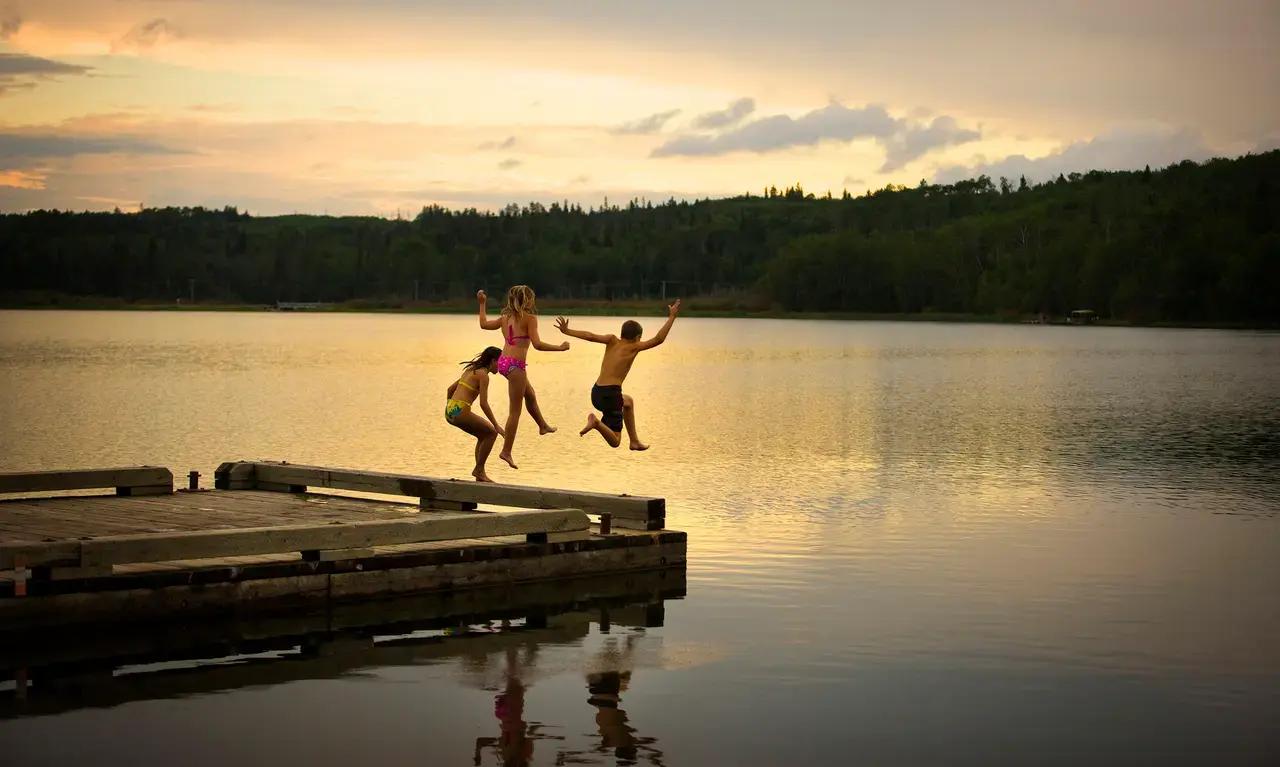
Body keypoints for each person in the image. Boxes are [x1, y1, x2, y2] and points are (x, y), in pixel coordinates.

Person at [554, 299, 681, 450]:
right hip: (611, 395)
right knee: (615, 441)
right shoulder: (634, 347)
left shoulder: (612, 340)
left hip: (596, 392)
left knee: (628, 402)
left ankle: (634, 441)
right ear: (636, 338)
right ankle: (596, 423)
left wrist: (568, 331)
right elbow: (659, 339)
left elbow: (590, 336)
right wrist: (672, 316)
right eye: (640, 338)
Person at [477, 285, 568, 469]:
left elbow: (484, 324)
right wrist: (560, 347)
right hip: (516, 366)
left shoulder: (505, 318)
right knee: (515, 412)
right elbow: (538, 344)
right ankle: (506, 451)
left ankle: (542, 425)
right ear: (527, 300)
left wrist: (482, 304)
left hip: (503, 362)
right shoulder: (530, 319)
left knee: (530, 394)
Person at [445, 346, 505, 482]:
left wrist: (450, 407)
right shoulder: (483, 375)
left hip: (450, 410)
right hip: (461, 410)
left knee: (483, 435)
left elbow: (450, 389)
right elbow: (483, 403)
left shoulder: (470, 370)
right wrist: (497, 425)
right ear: (493, 361)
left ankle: (479, 472)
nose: (501, 366)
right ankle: (479, 470)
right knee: (491, 433)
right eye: (500, 362)